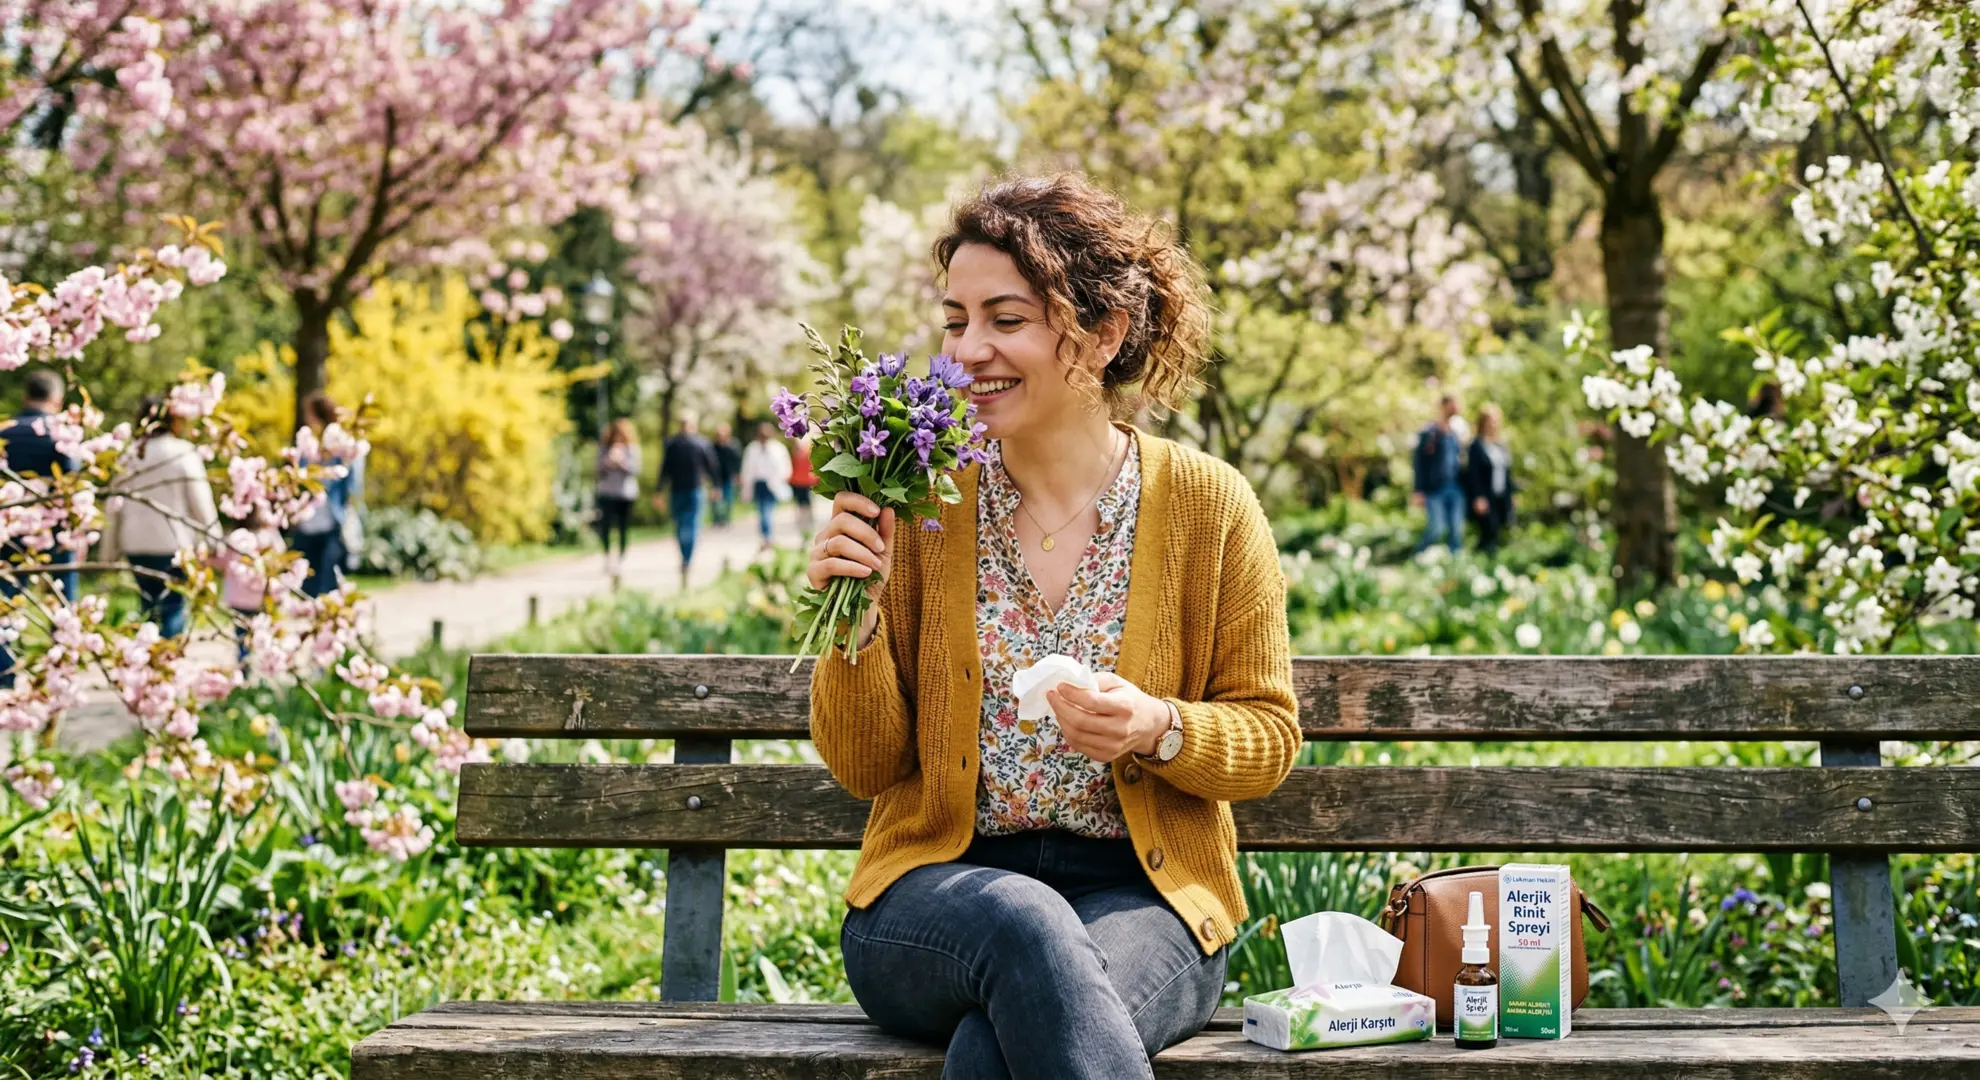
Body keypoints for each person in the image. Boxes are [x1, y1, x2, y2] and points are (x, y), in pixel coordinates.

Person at [807, 173, 1298, 1079]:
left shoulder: (1208, 505)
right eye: (956, 322)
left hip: (1144, 894)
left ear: (1104, 332)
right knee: (1027, 929)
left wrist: (1161, 726)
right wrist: (858, 623)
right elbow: (864, 767)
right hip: (935, 896)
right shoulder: (913, 504)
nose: (969, 351)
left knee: (1001, 1047)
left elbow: (1269, 736)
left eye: (1006, 318)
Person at [104, 396, 220, 639]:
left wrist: (109, 551)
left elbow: (113, 506)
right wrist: (214, 540)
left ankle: (148, 660)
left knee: (148, 605)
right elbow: (201, 503)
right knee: (173, 605)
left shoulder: (128, 455)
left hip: (135, 544)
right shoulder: (182, 453)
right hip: (173, 543)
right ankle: (168, 663)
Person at [1, 371, 81, 686]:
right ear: (58, 400)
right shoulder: (62, 432)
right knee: (62, 602)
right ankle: (61, 673)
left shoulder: (6, 431)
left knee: (5, 600)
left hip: (8, 529)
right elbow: (69, 483)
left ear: (25, 396)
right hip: (55, 532)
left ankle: (5, 674)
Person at [293, 392, 362, 597]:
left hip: (331, 518)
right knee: (307, 577)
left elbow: (351, 483)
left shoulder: (340, 444)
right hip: (308, 520)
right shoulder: (309, 445)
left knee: (327, 577)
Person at [657, 413, 719, 589]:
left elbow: (711, 466)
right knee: (686, 526)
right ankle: (686, 559)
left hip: (691, 491)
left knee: (686, 526)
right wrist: (715, 486)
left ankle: (686, 559)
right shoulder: (680, 444)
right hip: (685, 491)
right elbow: (665, 468)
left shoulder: (688, 444)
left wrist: (715, 486)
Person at [1411, 394, 1466, 554]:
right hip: (1434, 489)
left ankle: (1454, 567)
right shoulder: (1429, 433)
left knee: (1457, 530)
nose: (1456, 408)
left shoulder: (1455, 434)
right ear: (1443, 406)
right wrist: (1418, 490)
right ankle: (1418, 554)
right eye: (1453, 404)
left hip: (1455, 487)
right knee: (1438, 528)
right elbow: (1418, 463)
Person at [1464, 404, 1515, 555]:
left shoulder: (1500, 445)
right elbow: (1473, 474)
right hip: (1485, 495)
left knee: (1501, 528)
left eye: (1495, 420)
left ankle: (1493, 561)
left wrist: (1511, 493)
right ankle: (1481, 560)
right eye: (1490, 420)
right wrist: (1478, 496)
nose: (1493, 423)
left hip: (1501, 494)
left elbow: (1507, 472)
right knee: (1488, 529)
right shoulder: (1476, 446)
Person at [595, 419, 640, 575]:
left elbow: (636, 470)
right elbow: (597, 469)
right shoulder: (604, 449)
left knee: (623, 527)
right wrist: (608, 461)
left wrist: (621, 462)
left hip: (625, 494)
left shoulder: (631, 449)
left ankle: (621, 557)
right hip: (607, 492)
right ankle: (607, 555)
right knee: (605, 526)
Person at [737, 422, 792, 551]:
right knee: (762, 511)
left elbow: (785, 467)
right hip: (759, 484)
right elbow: (747, 468)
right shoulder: (752, 448)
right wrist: (745, 486)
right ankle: (766, 537)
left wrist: (782, 480)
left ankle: (767, 536)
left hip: (773, 484)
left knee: (766, 511)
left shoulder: (778, 449)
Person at [709, 421, 743, 526]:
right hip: (716, 477)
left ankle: (726, 519)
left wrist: (737, 474)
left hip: (729, 476)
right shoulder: (712, 447)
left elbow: (737, 461)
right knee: (715, 500)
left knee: (728, 499)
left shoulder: (733, 446)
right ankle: (716, 519)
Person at [788, 435, 817, 537]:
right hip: (797, 484)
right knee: (801, 506)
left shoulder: (807, 453)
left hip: (807, 483)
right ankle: (803, 527)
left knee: (807, 506)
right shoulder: (794, 455)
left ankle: (808, 527)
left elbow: (813, 467)